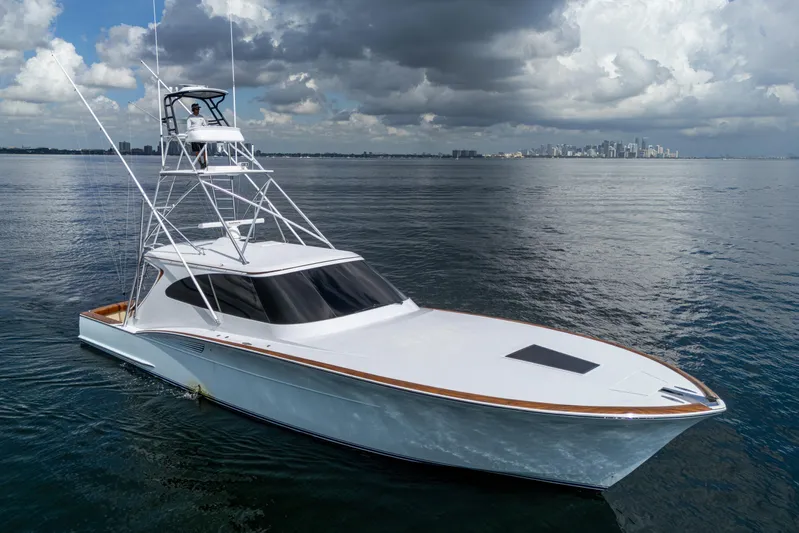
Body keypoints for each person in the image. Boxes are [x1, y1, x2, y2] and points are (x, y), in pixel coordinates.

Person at [187, 102, 208, 169]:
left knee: (204, 150)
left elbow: (205, 125)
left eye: (198, 109)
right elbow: (188, 127)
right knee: (197, 151)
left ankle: (205, 162)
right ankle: (200, 163)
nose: (198, 110)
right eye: (196, 109)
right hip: (194, 135)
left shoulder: (201, 117)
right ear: (193, 110)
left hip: (201, 135)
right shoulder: (190, 118)